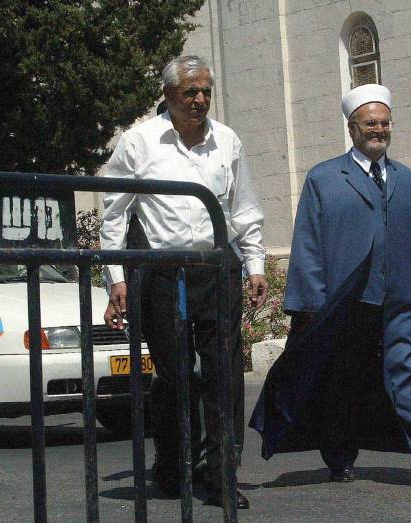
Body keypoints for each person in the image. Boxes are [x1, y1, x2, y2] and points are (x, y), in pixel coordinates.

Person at [250, 84, 411, 488]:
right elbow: (307, 243)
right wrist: (309, 303)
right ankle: (339, 455)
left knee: (408, 372)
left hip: (399, 299)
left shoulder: (408, 180)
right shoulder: (324, 178)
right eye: (370, 124)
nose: (378, 130)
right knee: (341, 379)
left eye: (384, 123)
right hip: (344, 302)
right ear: (352, 128)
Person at [100, 55, 268, 509]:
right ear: (169, 94)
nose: (199, 100)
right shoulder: (140, 142)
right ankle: (173, 466)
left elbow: (243, 207)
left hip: (216, 269)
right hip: (163, 273)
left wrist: (254, 264)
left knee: (224, 374)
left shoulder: (227, 140)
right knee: (176, 375)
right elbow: (114, 212)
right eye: (190, 92)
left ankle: (221, 476)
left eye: (206, 91)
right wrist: (115, 277)